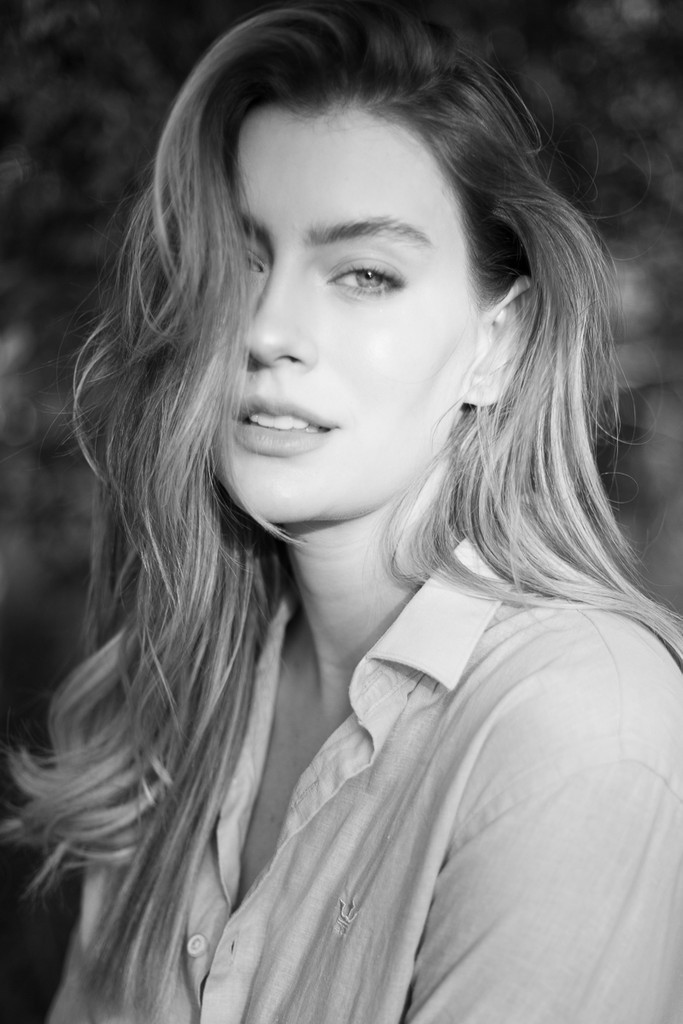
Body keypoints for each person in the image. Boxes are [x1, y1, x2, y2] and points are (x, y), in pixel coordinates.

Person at [6, 1, 683, 1021]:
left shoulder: (578, 726)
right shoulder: (175, 695)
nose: (266, 328)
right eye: (240, 261)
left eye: (364, 273)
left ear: (497, 345)